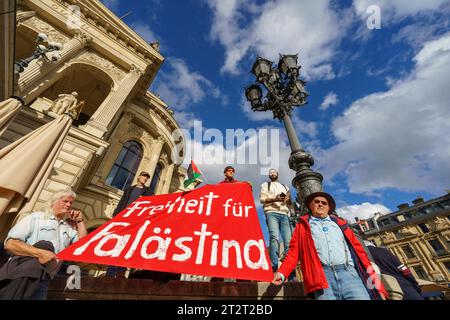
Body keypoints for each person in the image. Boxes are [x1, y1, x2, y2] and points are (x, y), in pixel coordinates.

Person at [272, 191, 388, 300]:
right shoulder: (302, 227)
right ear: (310, 206)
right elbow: (293, 253)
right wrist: (282, 273)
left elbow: (360, 253)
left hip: (350, 275)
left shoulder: (341, 225)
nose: (320, 204)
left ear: (329, 208)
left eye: (324, 203)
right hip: (322, 278)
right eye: (316, 202)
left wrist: (377, 284)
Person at [1, 189, 87, 300]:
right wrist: (39, 253)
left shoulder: (68, 227)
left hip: (46, 279)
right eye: (65, 201)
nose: (69, 205)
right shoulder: (36, 218)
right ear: (53, 201)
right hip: (22, 273)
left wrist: (80, 221)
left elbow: (82, 244)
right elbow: (11, 244)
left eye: (71, 203)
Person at [106, 171, 153, 278]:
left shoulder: (148, 192)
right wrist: (115, 217)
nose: (145, 178)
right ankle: (110, 271)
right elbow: (122, 203)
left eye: (147, 177)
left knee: (127, 246)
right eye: (144, 176)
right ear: (139, 177)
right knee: (116, 245)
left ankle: (121, 272)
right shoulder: (129, 189)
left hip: (136, 222)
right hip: (122, 220)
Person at [259, 169, 295, 280]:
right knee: (274, 237)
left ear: (278, 174)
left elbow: (290, 204)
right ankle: (274, 267)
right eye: (270, 172)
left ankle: (290, 271)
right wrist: (275, 198)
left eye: (274, 172)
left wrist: (288, 200)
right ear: (269, 176)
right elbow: (262, 199)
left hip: (284, 213)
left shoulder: (285, 187)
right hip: (271, 213)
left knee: (288, 242)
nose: (272, 173)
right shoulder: (266, 185)